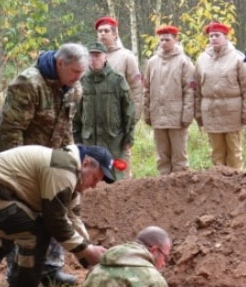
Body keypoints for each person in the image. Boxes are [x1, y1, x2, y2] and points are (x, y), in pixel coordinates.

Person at [0, 144, 113, 287]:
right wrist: (87, 250)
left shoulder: (72, 174)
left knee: (2, 242)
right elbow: (56, 222)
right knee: (35, 233)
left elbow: (74, 219)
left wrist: (89, 257)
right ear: (85, 164)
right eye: (95, 178)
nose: (94, 185)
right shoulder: (64, 170)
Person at [0, 42, 87, 287]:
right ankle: (19, 272)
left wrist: (69, 162)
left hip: (52, 160)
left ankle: (51, 270)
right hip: (21, 161)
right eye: (75, 72)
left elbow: (66, 129)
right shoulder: (28, 84)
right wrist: (18, 173)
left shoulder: (74, 88)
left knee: (57, 206)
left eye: (82, 73)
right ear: (60, 63)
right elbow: (10, 131)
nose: (79, 78)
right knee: (22, 214)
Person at [71, 225, 171, 287]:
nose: (164, 264)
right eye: (165, 257)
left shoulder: (100, 265)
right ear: (154, 250)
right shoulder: (154, 281)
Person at [194, 21, 246, 168]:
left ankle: (236, 184)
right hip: (211, 114)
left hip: (232, 114)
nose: (213, 38)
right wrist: (198, 114)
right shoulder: (202, 60)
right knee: (216, 153)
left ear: (225, 37)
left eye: (217, 35)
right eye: (210, 36)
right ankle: (219, 183)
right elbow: (196, 90)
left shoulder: (238, 59)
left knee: (234, 152)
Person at [73, 41, 136, 175]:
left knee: (118, 183)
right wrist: (77, 140)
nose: (94, 59)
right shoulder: (82, 82)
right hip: (89, 143)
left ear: (105, 57)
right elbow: (75, 115)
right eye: (91, 56)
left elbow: (129, 112)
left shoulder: (117, 80)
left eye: (98, 56)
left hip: (114, 144)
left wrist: (128, 139)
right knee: (91, 183)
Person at [142, 25, 195, 175]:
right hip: (158, 115)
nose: (163, 43)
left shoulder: (184, 62)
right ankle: (163, 187)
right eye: (161, 40)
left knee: (179, 156)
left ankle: (179, 187)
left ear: (175, 40)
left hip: (177, 117)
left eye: (167, 39)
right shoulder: (152, 62)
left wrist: (187, 115)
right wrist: (147, 113)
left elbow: (190, 91)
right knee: (162, 156)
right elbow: (146, 90)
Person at [95, 16, 143, 177]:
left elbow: (136, 88)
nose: (102, 34)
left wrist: (133, 116)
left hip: (120, 116)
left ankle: (123, 190)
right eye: (100, 31)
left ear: (115, 34)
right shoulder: (93, 57)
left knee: (121, 156)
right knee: (98, 157)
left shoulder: (126, 56)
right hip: (97, 118)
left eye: (106, 31)